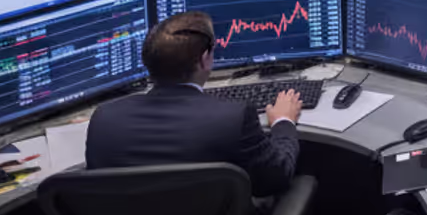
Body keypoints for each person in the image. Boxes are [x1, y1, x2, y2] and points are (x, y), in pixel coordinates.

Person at [85, 11, 303, 199]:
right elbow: (276, 178)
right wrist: (284, 122)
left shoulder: (104, 118)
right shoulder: (233, 118)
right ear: (203, 59)